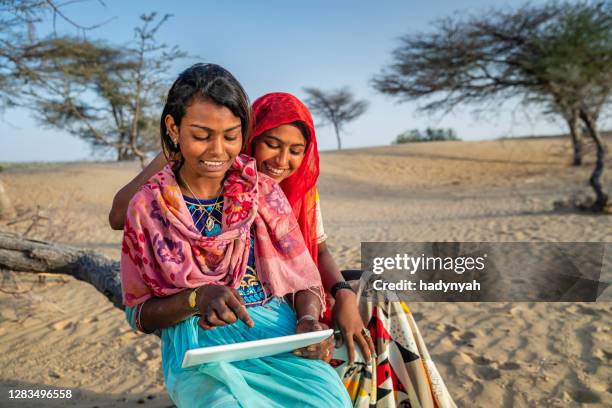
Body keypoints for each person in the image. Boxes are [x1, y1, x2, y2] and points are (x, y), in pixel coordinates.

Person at [112, 90, 455, 407]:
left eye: (295, 150)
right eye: (271, 144)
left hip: (294, 301)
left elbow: (314, 255)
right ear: (252, 139)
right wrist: (184, 146)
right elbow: (123, 216)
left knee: (379, 298)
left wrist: (336, 297)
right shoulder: (180, 191)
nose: (282, 160)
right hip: (227, 315)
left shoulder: (287, 191)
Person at [120, 63, 352, 408]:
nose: (217, 151)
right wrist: (195, 299)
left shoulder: (265, 193)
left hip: (279, 336)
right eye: (201, 136)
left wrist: (307, 320)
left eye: (231, 136)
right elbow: (139, 314)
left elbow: (304, 279)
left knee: (330, 401)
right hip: (200, 349)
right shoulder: (148, 207)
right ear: (173, 128)